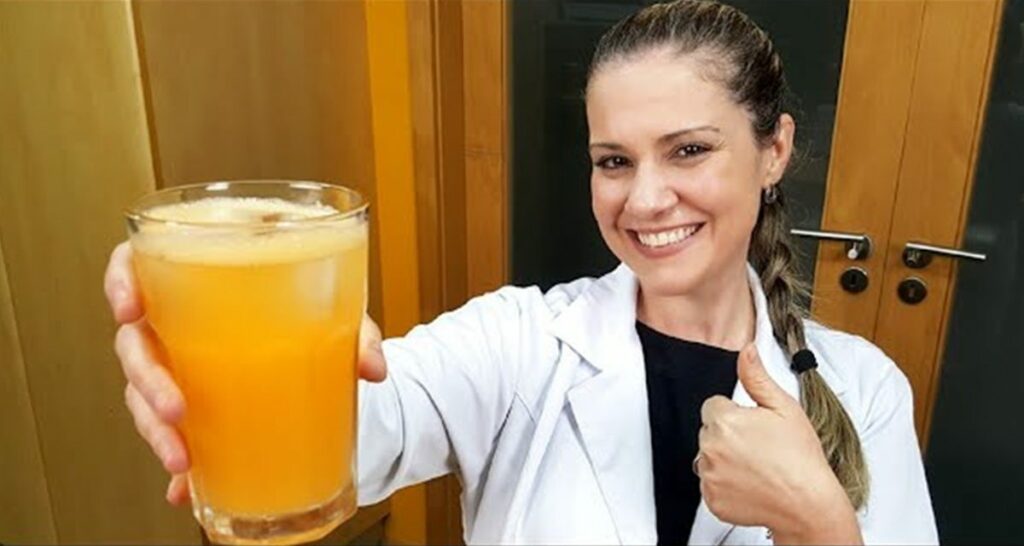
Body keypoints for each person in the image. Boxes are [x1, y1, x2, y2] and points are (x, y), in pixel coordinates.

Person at [104, 1, 938, 543]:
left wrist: (820, 524)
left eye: (689, 150)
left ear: (774, 150)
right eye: (613, 161)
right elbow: (340, 444)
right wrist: (207, 322)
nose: (646, 198)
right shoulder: (516, 343)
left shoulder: (865, 390)